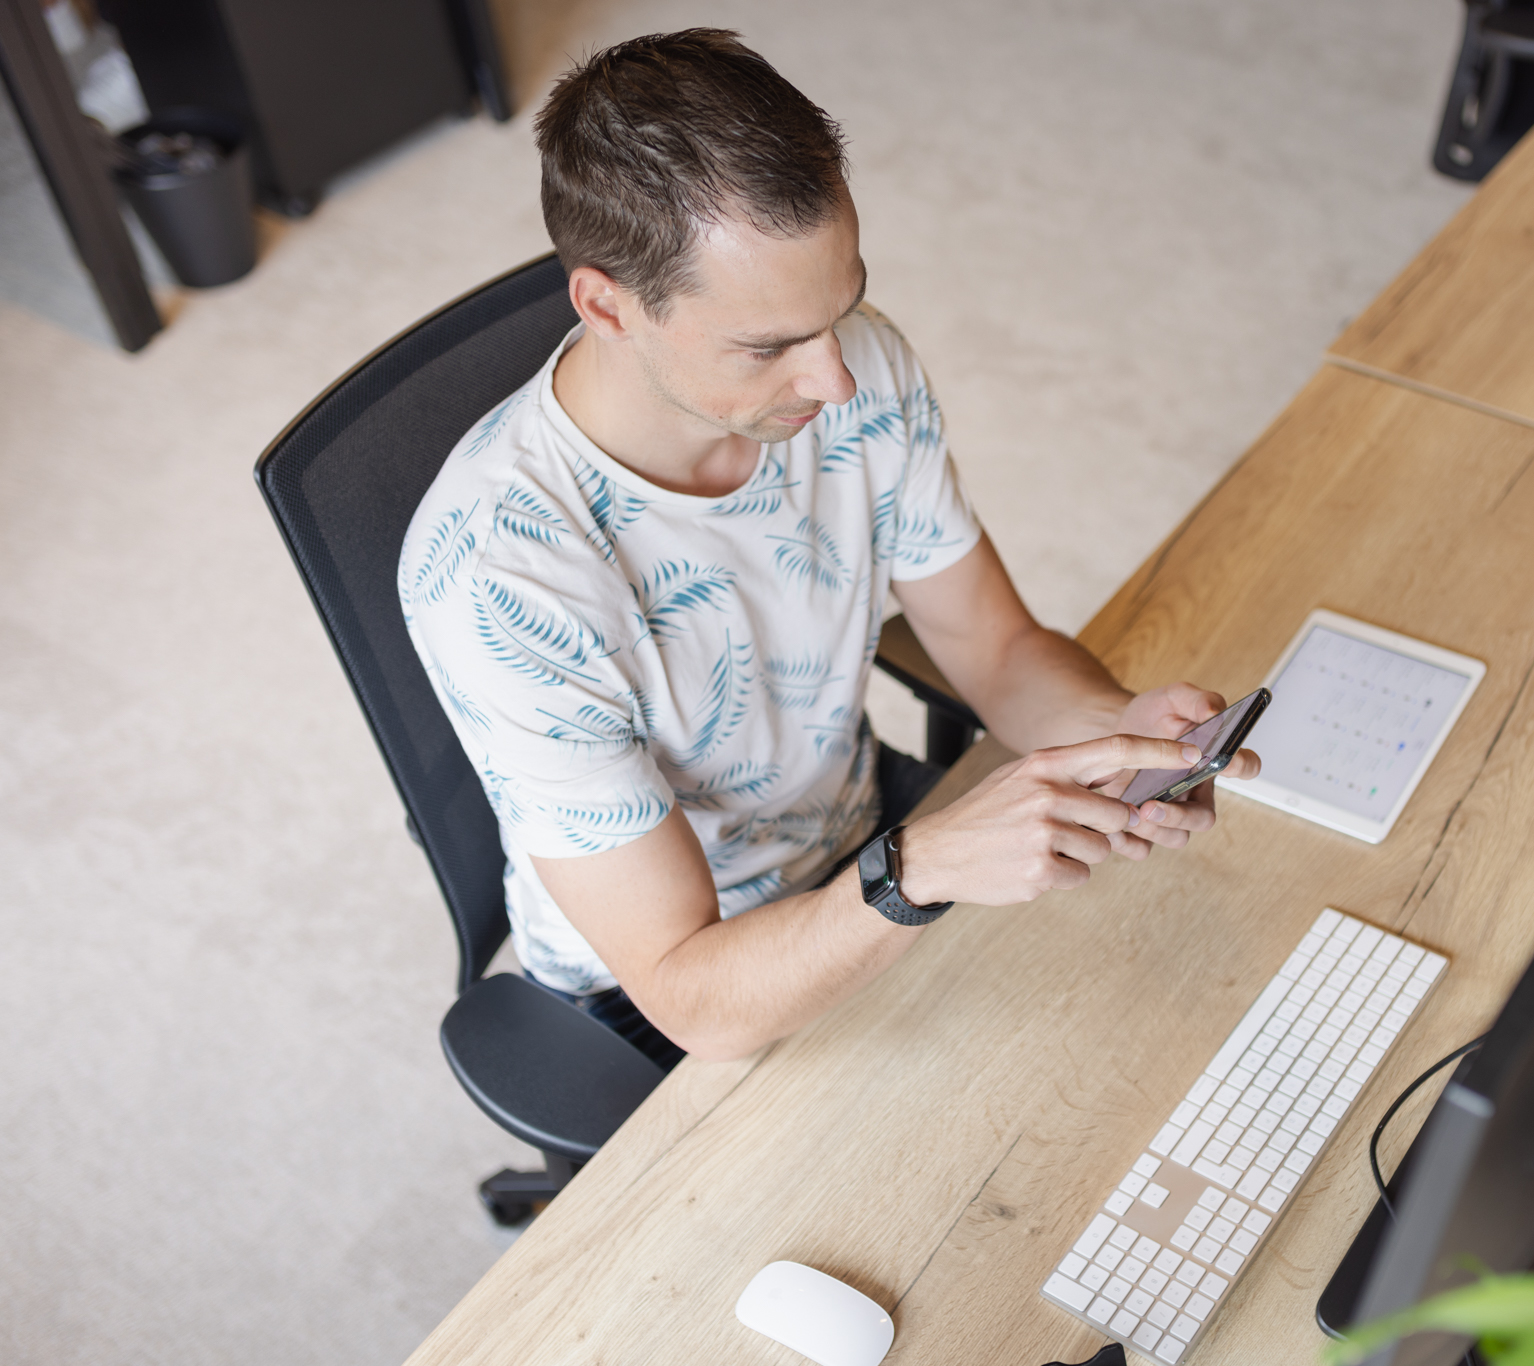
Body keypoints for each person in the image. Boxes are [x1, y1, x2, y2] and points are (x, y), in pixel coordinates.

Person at [398, 29, 1257, 1068]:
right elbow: (691, 993)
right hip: (672, 991)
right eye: (768, 346)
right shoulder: (500, 572)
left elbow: (990, 647)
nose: (836, 381)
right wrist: (919, 867)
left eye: (837, 311)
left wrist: (1115, 732)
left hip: (861, 843)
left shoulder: (862, 367)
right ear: (605, 306)